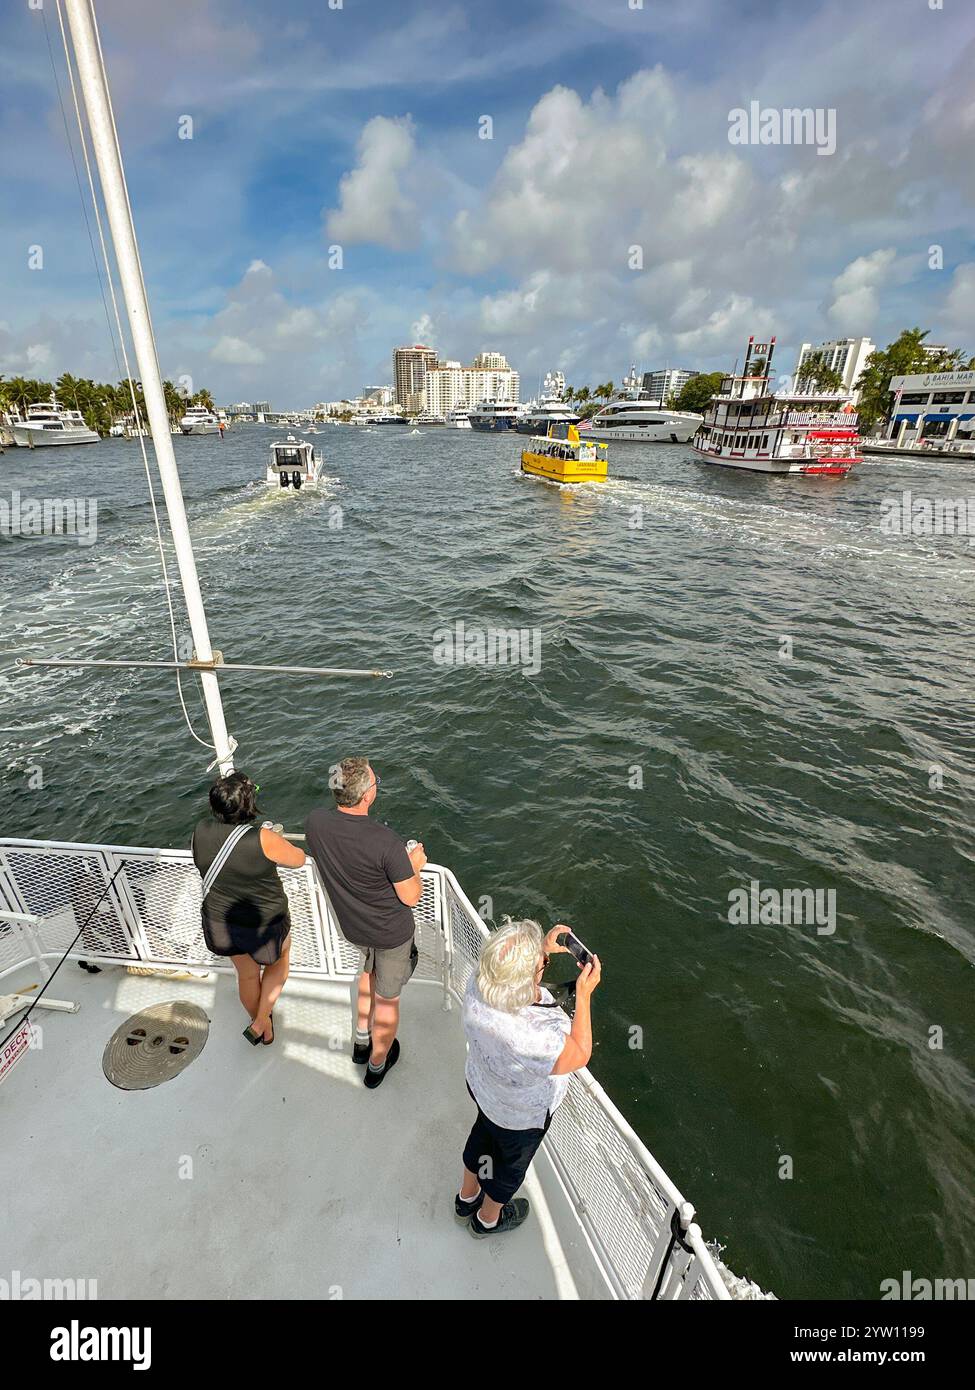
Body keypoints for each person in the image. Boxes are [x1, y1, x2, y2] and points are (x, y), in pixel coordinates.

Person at [457, 919, 601, 1238]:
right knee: (508, 1170)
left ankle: (466, 1199)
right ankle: (487, 1220)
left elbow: (505, 966)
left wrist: (542, 949)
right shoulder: (527, 1038)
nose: (544, 966)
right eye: (542, 965)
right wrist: (584, 993)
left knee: (481, 1139)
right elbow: (578, 1053)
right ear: (523, 985)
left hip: (484, 1092)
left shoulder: (478, 981)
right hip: (519, 1118)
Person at [305, 758, 426, 1089]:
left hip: (354, 928)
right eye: (376, 782)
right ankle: (376, 1063)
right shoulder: (385, 842)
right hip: (390, 935)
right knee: (387, 999)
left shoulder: (315, 823)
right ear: (367, 796)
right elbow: (411, 897)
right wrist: (414, 864)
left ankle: (361, 1042)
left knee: (366, 975)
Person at [191, 772, 306, 1045]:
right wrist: (276, 839)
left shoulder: (200, 831)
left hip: (220, 920)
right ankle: (262, 1019)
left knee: (246, 974)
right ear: (249, 804)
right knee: (280, 961)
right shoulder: (263, 838)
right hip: (264, 922)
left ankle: (262, 1027)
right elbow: (299, 859)